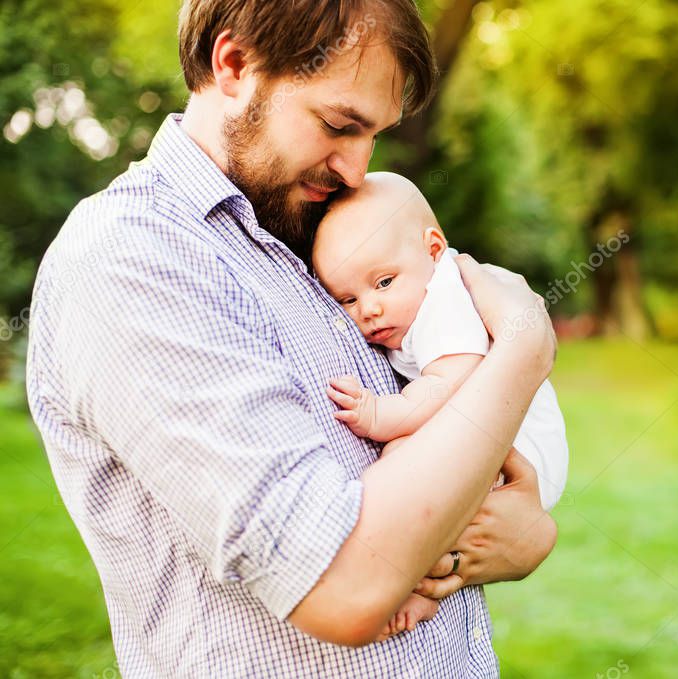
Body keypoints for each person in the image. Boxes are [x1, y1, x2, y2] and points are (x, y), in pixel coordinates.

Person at [25, 1, 558, 676]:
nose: (357, 170)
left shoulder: (322, 241)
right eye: (339, 124)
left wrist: (526, 534)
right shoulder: (131, 255)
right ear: (235, 65)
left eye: (374, 136)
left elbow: (454, 474)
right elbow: (343, 582)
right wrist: (524, 346)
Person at [312, 171, 570, 638]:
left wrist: (380, 414)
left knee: (401, 458)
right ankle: (420, 585)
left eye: (384, 281)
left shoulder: (445, 297)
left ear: (434, 250)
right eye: (347, 298)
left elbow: (452, 378)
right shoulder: (410, 302)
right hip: (505, 440)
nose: (368, 308)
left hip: (524, 453)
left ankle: (411, 586)